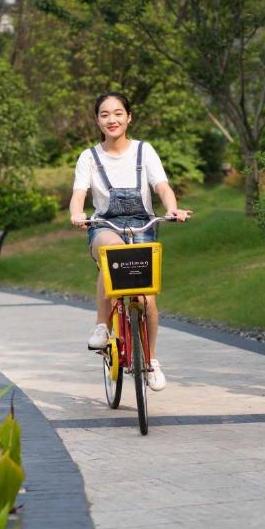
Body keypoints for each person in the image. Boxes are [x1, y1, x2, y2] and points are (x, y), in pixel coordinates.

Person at [69, 92, 192, 392]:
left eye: (118, 113)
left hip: (142, 227)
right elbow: (78, 194)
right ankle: (102, 325)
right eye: (105, 114)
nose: (112, 119)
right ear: (97, 120)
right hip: (103, 226)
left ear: (129, 117)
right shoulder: (89, 157)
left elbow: (162, 187)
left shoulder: (144, 152)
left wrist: (172, 208)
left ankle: (150, 359)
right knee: (113, 253)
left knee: (147, 300)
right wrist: (76, 214)